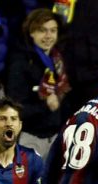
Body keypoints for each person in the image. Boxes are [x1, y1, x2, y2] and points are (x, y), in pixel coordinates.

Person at [5, 8, 70, 159]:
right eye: (42, 30)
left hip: (55, 136)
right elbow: (15, 108)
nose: (48, 36)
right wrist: (45, 106)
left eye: (53, 31)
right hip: (30, 138)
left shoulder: (58, 60)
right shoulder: (20, 63)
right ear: (31, 32)